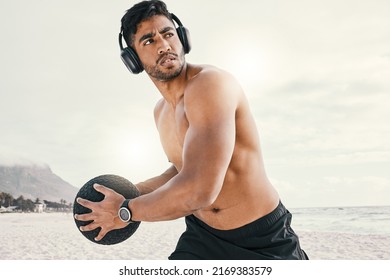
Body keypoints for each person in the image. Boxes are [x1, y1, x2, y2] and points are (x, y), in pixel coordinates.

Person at [75, 0, 308, 260]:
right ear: (133, 59)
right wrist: (133, 192)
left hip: (262, 239)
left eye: (168, 33)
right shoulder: (160, 112)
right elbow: (183, 168)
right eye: (149, 41)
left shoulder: (210, 84)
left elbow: (199, 189)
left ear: (182, 37)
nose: (164, 45)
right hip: (203, 237)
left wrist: (126, 211)